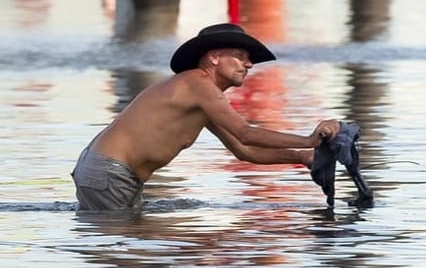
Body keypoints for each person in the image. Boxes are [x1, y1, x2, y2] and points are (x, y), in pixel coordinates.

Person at [72, 23, 342, 211]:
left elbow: (244, 150)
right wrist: (310, 141)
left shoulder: (202, 97)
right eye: (239, 56)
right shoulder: (198, 84)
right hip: (109, 173)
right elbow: (245, 132)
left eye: (248, 59)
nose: (248, 64)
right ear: (213, 58)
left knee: (137, 245)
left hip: (109, 174)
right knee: (133, 252)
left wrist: (301, 157)